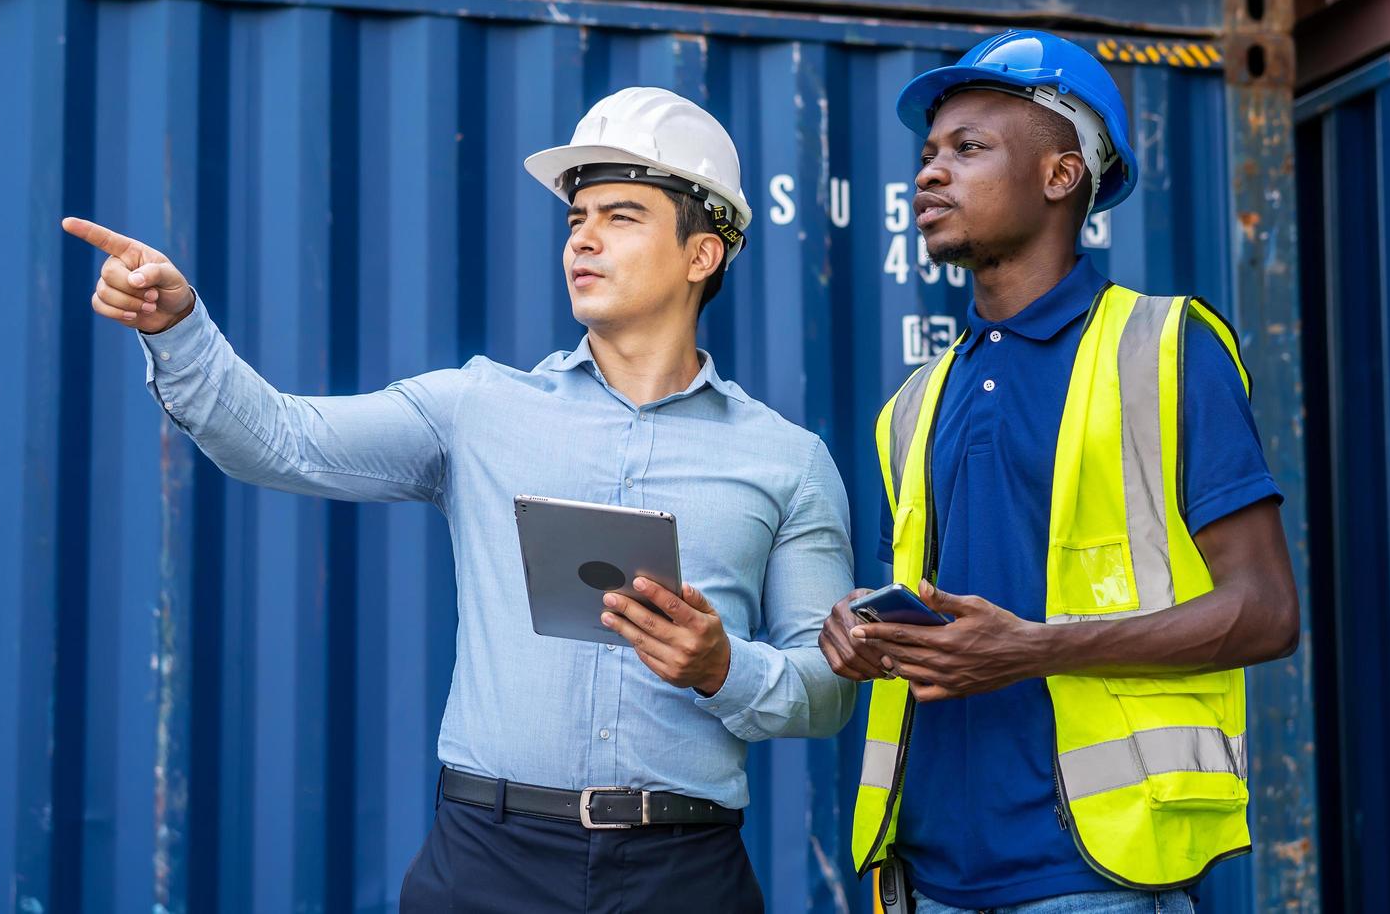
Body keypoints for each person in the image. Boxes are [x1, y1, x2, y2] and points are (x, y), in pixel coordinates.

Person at [65, 86, 857, 913]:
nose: (583, 238)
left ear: (704, 255)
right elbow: (279, 438)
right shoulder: (476, 409)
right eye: (575, 219)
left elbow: (830, 688)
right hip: (487, 864)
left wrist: (723, 667)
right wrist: (178, 326)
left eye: (621, 217)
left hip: (683, 874)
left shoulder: (788, 462)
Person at [818, 30, 1300, 914]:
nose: (929, 174)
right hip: (921, 881)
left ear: (1061, 175)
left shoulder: (1166, 347)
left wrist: (1039, 649)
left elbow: (1267, 613)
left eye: (968, 149)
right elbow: (947, 621)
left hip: (1093, 880)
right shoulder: (914, 403)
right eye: (927, 155)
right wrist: (863, 631)